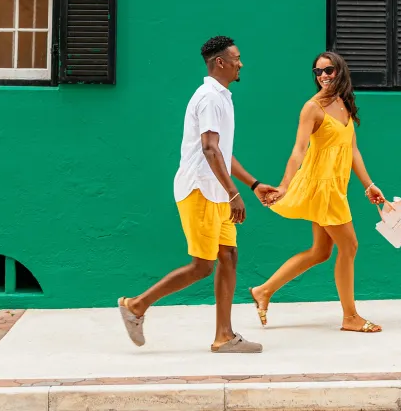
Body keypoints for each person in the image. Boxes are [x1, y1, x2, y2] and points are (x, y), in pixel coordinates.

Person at [118, 36, 280, 353]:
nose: (241, 63)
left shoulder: (222, 97)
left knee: (228, 256)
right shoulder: (209, 98)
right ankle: (136, 306)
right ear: (220, 62)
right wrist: (235, 194)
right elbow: (209, 149)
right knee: (203, 265)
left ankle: (224, 336)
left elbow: (222, 151)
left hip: (216, 192)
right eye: (236, 58)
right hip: (201, 190)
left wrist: (253, 184)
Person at [250, 52, 387, 333]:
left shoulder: (344, 103)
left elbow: (352, 150)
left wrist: (369, 185)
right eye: (318, 71)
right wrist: (285, 185)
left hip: (336, 186)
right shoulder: (312, 108)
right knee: (349, 246)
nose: (323, 75)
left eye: (329, 70)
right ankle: (350, 317)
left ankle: (263, 290)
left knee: (321, 251)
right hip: (322, 187)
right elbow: (298, 150)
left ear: (341, 72)